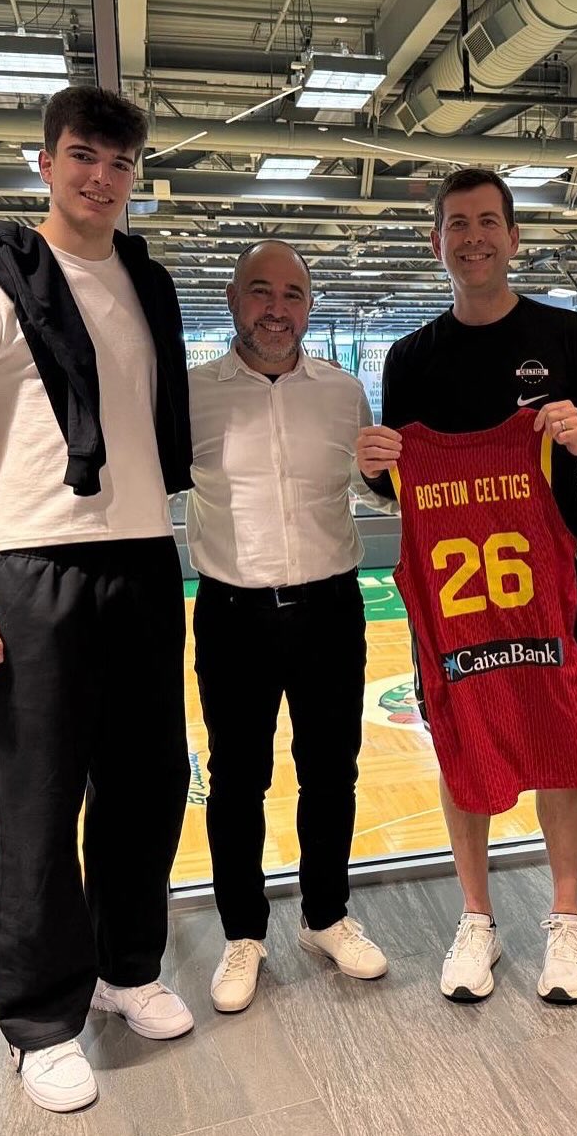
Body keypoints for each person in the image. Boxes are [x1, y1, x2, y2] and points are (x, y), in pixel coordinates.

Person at [0, 86, 194, 1113]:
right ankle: (37, 1020)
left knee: (150, 782)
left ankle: (127, 968)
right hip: (33, 565)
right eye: (82, 156)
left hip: (146, 559)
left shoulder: (142, 280)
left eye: (119, 163)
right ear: (45, 161)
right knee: (36, 805)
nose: (100, 178)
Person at [357, 168, 577, 1004]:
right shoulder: (409, 358)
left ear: (512, 238)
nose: (471, 236)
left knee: (556, 735)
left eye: (486, 222)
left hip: (543, 592)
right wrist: (372, 472)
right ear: (435, 242)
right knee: (457, 737)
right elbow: (395, 488)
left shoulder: (567, 337)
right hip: (452, 597)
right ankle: (475, 917)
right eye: (455, 224)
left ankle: (565, 916)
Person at [188, 239, 391, 1015]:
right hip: (231, 612)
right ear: (233, 300)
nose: (277, 309)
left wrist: (381, 476)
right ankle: (245, 933)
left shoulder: (343, 394)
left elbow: (374, 497)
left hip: (330, 608)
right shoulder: (191, 392)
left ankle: (325, 916)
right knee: (236, 781)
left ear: (311, 305)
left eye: (294, 294)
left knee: (330, 772)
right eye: (261, 292)